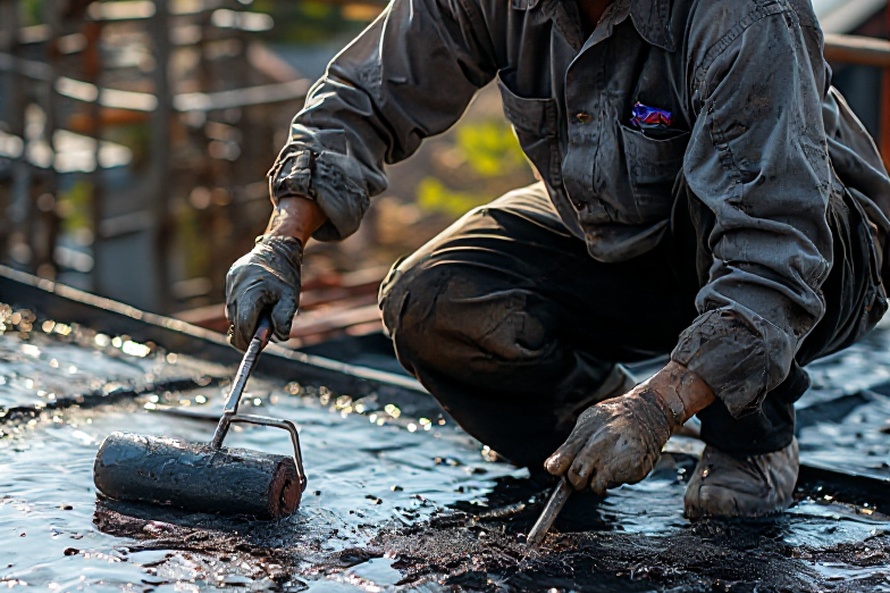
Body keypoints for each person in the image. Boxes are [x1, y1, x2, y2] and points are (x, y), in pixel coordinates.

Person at [224, 0, 890, 519]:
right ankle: (590, 424)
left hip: (815, 259)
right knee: (430, 298)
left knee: (713, 191)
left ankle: (753, 439)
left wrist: (658, 408)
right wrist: (282, 240)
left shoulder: (744, 16)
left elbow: (775, 249)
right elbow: (363, 98)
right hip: (616, 228)